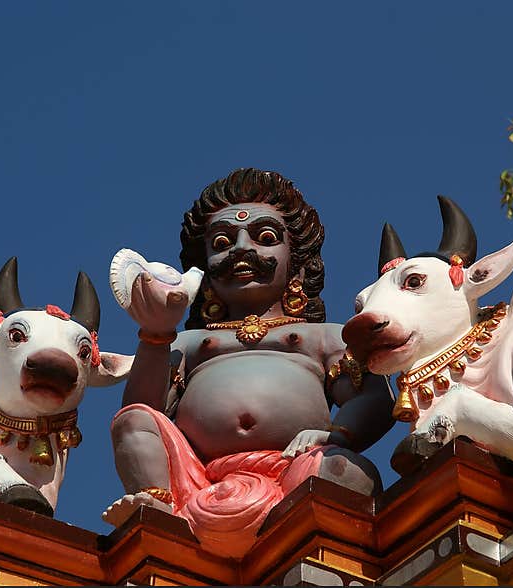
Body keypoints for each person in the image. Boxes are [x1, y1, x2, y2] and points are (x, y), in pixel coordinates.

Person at [103, 168, 395, 558]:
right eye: (222, 242)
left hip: (296, 467)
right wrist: (155, 336)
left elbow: (372, 399)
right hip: (197, 476)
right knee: (132, 421)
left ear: (297, 260)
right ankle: (159, 505)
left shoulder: (323, 336)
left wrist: (336, 435)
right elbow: (145, 409)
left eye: (266, 238)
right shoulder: (186, 343)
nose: (241, 249)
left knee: (346, 472)